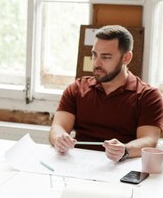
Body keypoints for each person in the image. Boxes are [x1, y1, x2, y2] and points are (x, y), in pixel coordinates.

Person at [50, 25, 163, 161]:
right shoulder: (76, 88)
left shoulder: (148, 96)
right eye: (94, 54)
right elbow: (58, 127)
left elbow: (149, 139)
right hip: (77, 164)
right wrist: (59, 139)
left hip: (121, 166)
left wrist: (125, 150)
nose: (97, 63)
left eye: (106, 57)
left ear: (126, 58)